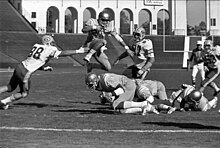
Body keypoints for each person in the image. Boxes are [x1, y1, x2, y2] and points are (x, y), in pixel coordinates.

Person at [0, 35, 84, 110]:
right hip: (25, 72)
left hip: (20, 66)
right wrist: (79, 51)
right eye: (52, 42)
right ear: (48, 42)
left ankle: (3, 102)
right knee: (24, 93)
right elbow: (63, 53)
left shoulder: (36, 46)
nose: (53, 44)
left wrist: (43, 68)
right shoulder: (50, 49)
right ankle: (3, 102)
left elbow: (34, 62)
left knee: (10, 87)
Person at [85, 73, 159, 115]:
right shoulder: (99, 84)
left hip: (127, 85)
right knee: (120, 110)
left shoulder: (106, 79)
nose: (91, 87)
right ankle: (145, 108)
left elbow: (121, 89)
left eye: (91, 84)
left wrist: (111, 94)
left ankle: (143, 104)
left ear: (95, 81)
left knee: (116, 104)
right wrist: (105, 98)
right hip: (124, 87)